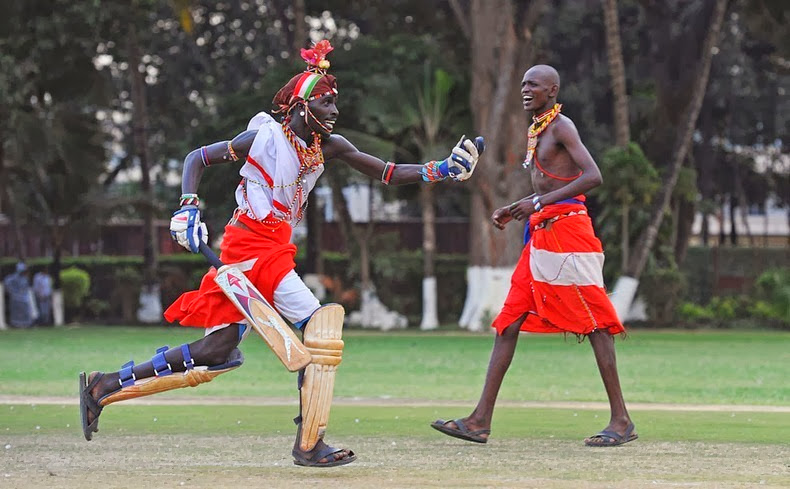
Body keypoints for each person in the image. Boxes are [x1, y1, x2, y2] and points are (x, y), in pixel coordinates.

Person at [78, 40, 483, 467]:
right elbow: (195, 158)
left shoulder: (328, 145)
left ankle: (104, 386)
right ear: (300, 106)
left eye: (335, 104)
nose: (334, 111)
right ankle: (309, 443)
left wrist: (440, 169)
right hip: (250, 251)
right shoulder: (264, 138)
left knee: (217, 351)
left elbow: (386, 172)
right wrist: (188, 204)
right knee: (321, 331)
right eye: (326, 103)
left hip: (271, 250)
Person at [430, 65, 637, 448]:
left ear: (552, 90)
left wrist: (537, 201)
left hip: (569, 234)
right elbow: (549, 184)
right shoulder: (537, 128)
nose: (525, 90)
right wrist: (515, 208)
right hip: (540, 237)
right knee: (507, 322)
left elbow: (593, 176)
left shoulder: (562, 127)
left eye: (533, 85)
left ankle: (621, 420)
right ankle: (479, 421)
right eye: (523, 84)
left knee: (595, 324)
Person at [3, 262, 34, 328]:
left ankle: (26, 324)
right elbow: (7, 283)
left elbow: (26, 287)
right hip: (16, 298)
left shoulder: (25, 278)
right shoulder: (13, 277)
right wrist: (12, 292)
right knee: (16, 313)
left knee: (26, 311)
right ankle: (16, 324)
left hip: (24, 298)